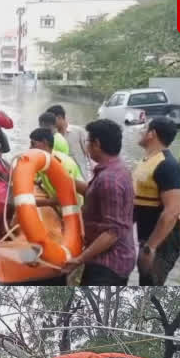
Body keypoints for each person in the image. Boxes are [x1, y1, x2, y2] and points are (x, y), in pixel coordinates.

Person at [64, 119, 135, 285]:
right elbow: (92, 191)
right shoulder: (118, 169)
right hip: (118, 257)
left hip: (108, 263)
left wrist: (79, 259)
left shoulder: (109, 179)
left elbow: (112, 233)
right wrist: (64, 180)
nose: (87, 146)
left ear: (96, 143)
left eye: (88, 141)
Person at [133, 117, 180, 286]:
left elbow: (172, 211)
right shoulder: (146, 160)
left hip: (161, 241)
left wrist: (150, 247)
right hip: (144, 237)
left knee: (151, 285)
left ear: (152, 134)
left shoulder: (167, 165)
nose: (140, 131)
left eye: (144, 128)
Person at [27, 127, 82, 208]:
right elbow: (34, 179)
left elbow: (65, 198)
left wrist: (30, 203)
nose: (30, 148)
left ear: (45, 143)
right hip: (60, 207)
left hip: (75, 209)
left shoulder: (62, 164)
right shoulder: (42, 161)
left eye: (33, 144)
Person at [47, 104, 89, 176]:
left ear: (59, 117)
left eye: (51, 120)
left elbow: (88, 154)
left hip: (80, 176)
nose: (50, 124)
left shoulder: (78, 131)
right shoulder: (53, 136)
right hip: (62, 176)